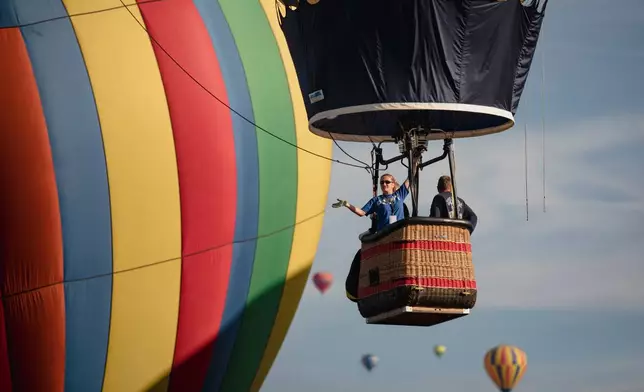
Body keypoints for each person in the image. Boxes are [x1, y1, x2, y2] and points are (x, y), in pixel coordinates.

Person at [333, 164, 417, 302]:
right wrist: (347, 204)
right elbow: (362, 212)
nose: (384, 184)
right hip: (384, 234)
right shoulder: (376, 201)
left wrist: (415, 162)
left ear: (393, 184)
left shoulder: (400, 194)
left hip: (399, 233)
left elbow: (411, 179)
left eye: (387, 182)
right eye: (382, 182)